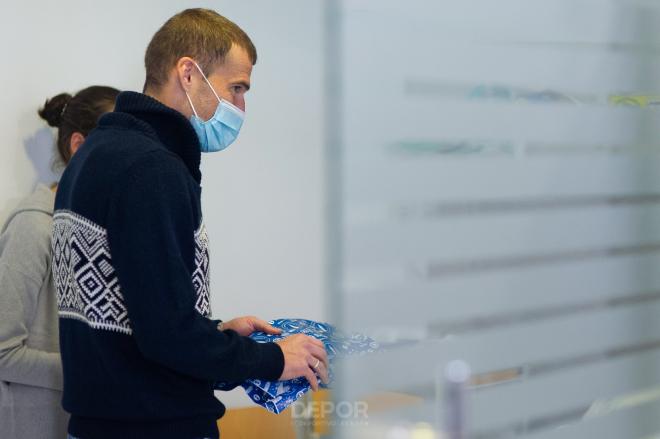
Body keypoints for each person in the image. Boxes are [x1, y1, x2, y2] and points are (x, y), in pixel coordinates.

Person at [52, 9, 329, 439]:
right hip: (155, 427)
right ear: (188, 72)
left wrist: (214, 331)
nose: (241, 107)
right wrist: (274, 359)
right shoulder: (150, 169)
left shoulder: (94, 156)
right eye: (236, 88)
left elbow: (135, 311)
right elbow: (167, 337)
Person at [0, 86, 120, 439]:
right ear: (79, 146)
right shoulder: (32, 226)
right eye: (118, 152)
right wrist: (97, 368)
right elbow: (3, 351)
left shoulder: (105, 229)